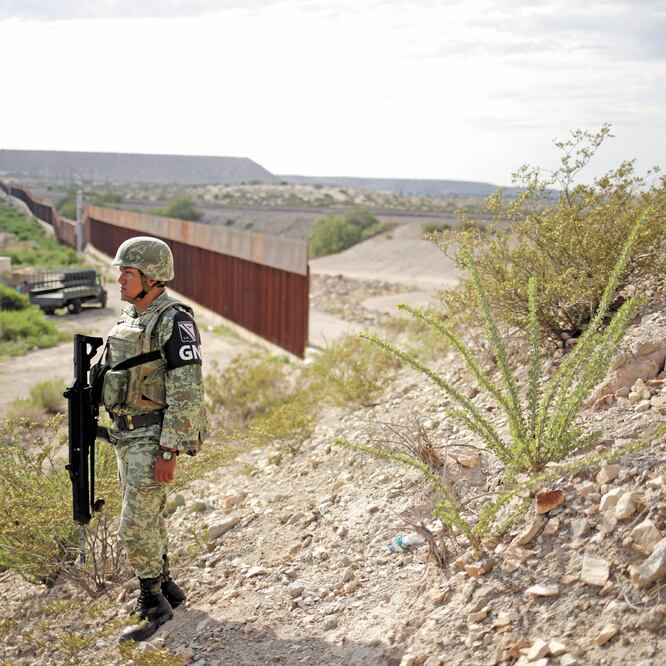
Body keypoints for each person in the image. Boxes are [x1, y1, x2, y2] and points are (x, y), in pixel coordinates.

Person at [100, 236, 207, 642]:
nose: (120, 279)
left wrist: (169, 448)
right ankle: (167, 589)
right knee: (148, 519)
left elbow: (187, 389)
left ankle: (152, 605)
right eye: (121, 272)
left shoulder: (173, 319)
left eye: (128, 273)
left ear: (153, 276)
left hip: (152, 435)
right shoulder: (131, 318)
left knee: (134, 525)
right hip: (127, 434)